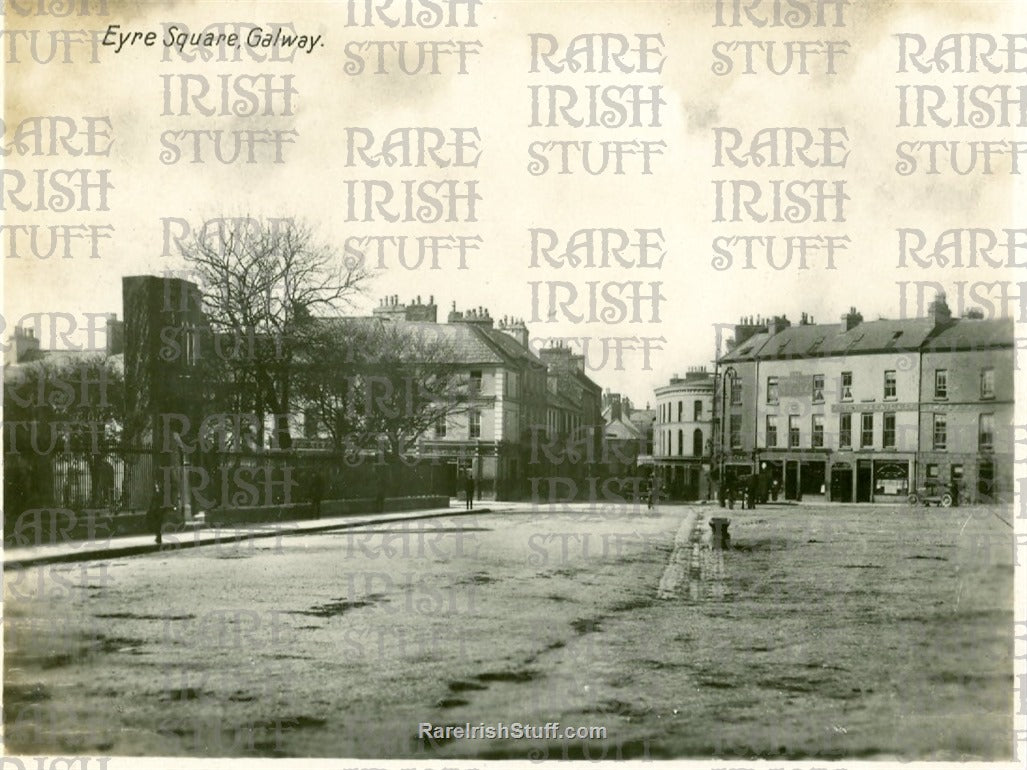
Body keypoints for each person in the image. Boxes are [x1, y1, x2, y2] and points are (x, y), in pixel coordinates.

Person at [146, 481, 165, 547]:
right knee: (156, 524)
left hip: (159, 511)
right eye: (156, 484)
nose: (156, 485)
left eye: (157, 484)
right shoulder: (155, 492)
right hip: (154, 511)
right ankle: (158, 537)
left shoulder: (161, 492)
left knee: (158, 525)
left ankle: (159, 537)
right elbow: (152, 501)